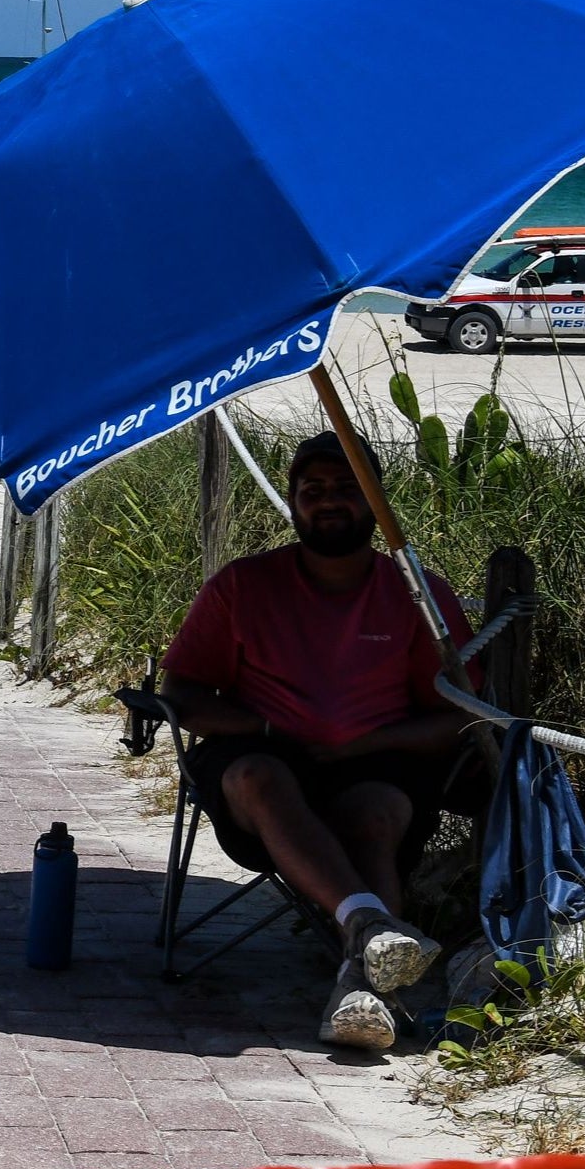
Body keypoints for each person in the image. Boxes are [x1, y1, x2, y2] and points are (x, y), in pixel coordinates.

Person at [162, 430, 477, 1053]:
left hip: (374, 761)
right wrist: (269, 727)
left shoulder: (418, 594)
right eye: (312, 491)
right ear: (293, 503)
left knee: (377, 811)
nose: (328, 501)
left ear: (377, 501)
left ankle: (361, 991)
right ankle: (368, 925)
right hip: (263, 761)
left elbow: (459, 717)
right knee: (258, 776)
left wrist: (362, 745)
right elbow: (182, 693)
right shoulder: (243, 586)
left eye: (346, 488)